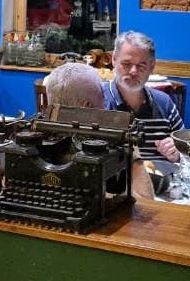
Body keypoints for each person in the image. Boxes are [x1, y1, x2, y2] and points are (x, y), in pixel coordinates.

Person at [45, 61, 153, 201]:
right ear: (88, 107)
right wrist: (134, 157)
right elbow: (147, 200)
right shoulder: (117, 140)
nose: (106, 98)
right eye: (102, 93)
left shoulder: (41, 138)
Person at [103, 30, 184, 162]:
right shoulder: (98, 100)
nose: (133, 71)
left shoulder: (164, 103)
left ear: (152, 66)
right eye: (126, 64)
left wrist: (177, 153)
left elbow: (185, 152)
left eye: (141, 65)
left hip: (160, 179)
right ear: (114, 60)